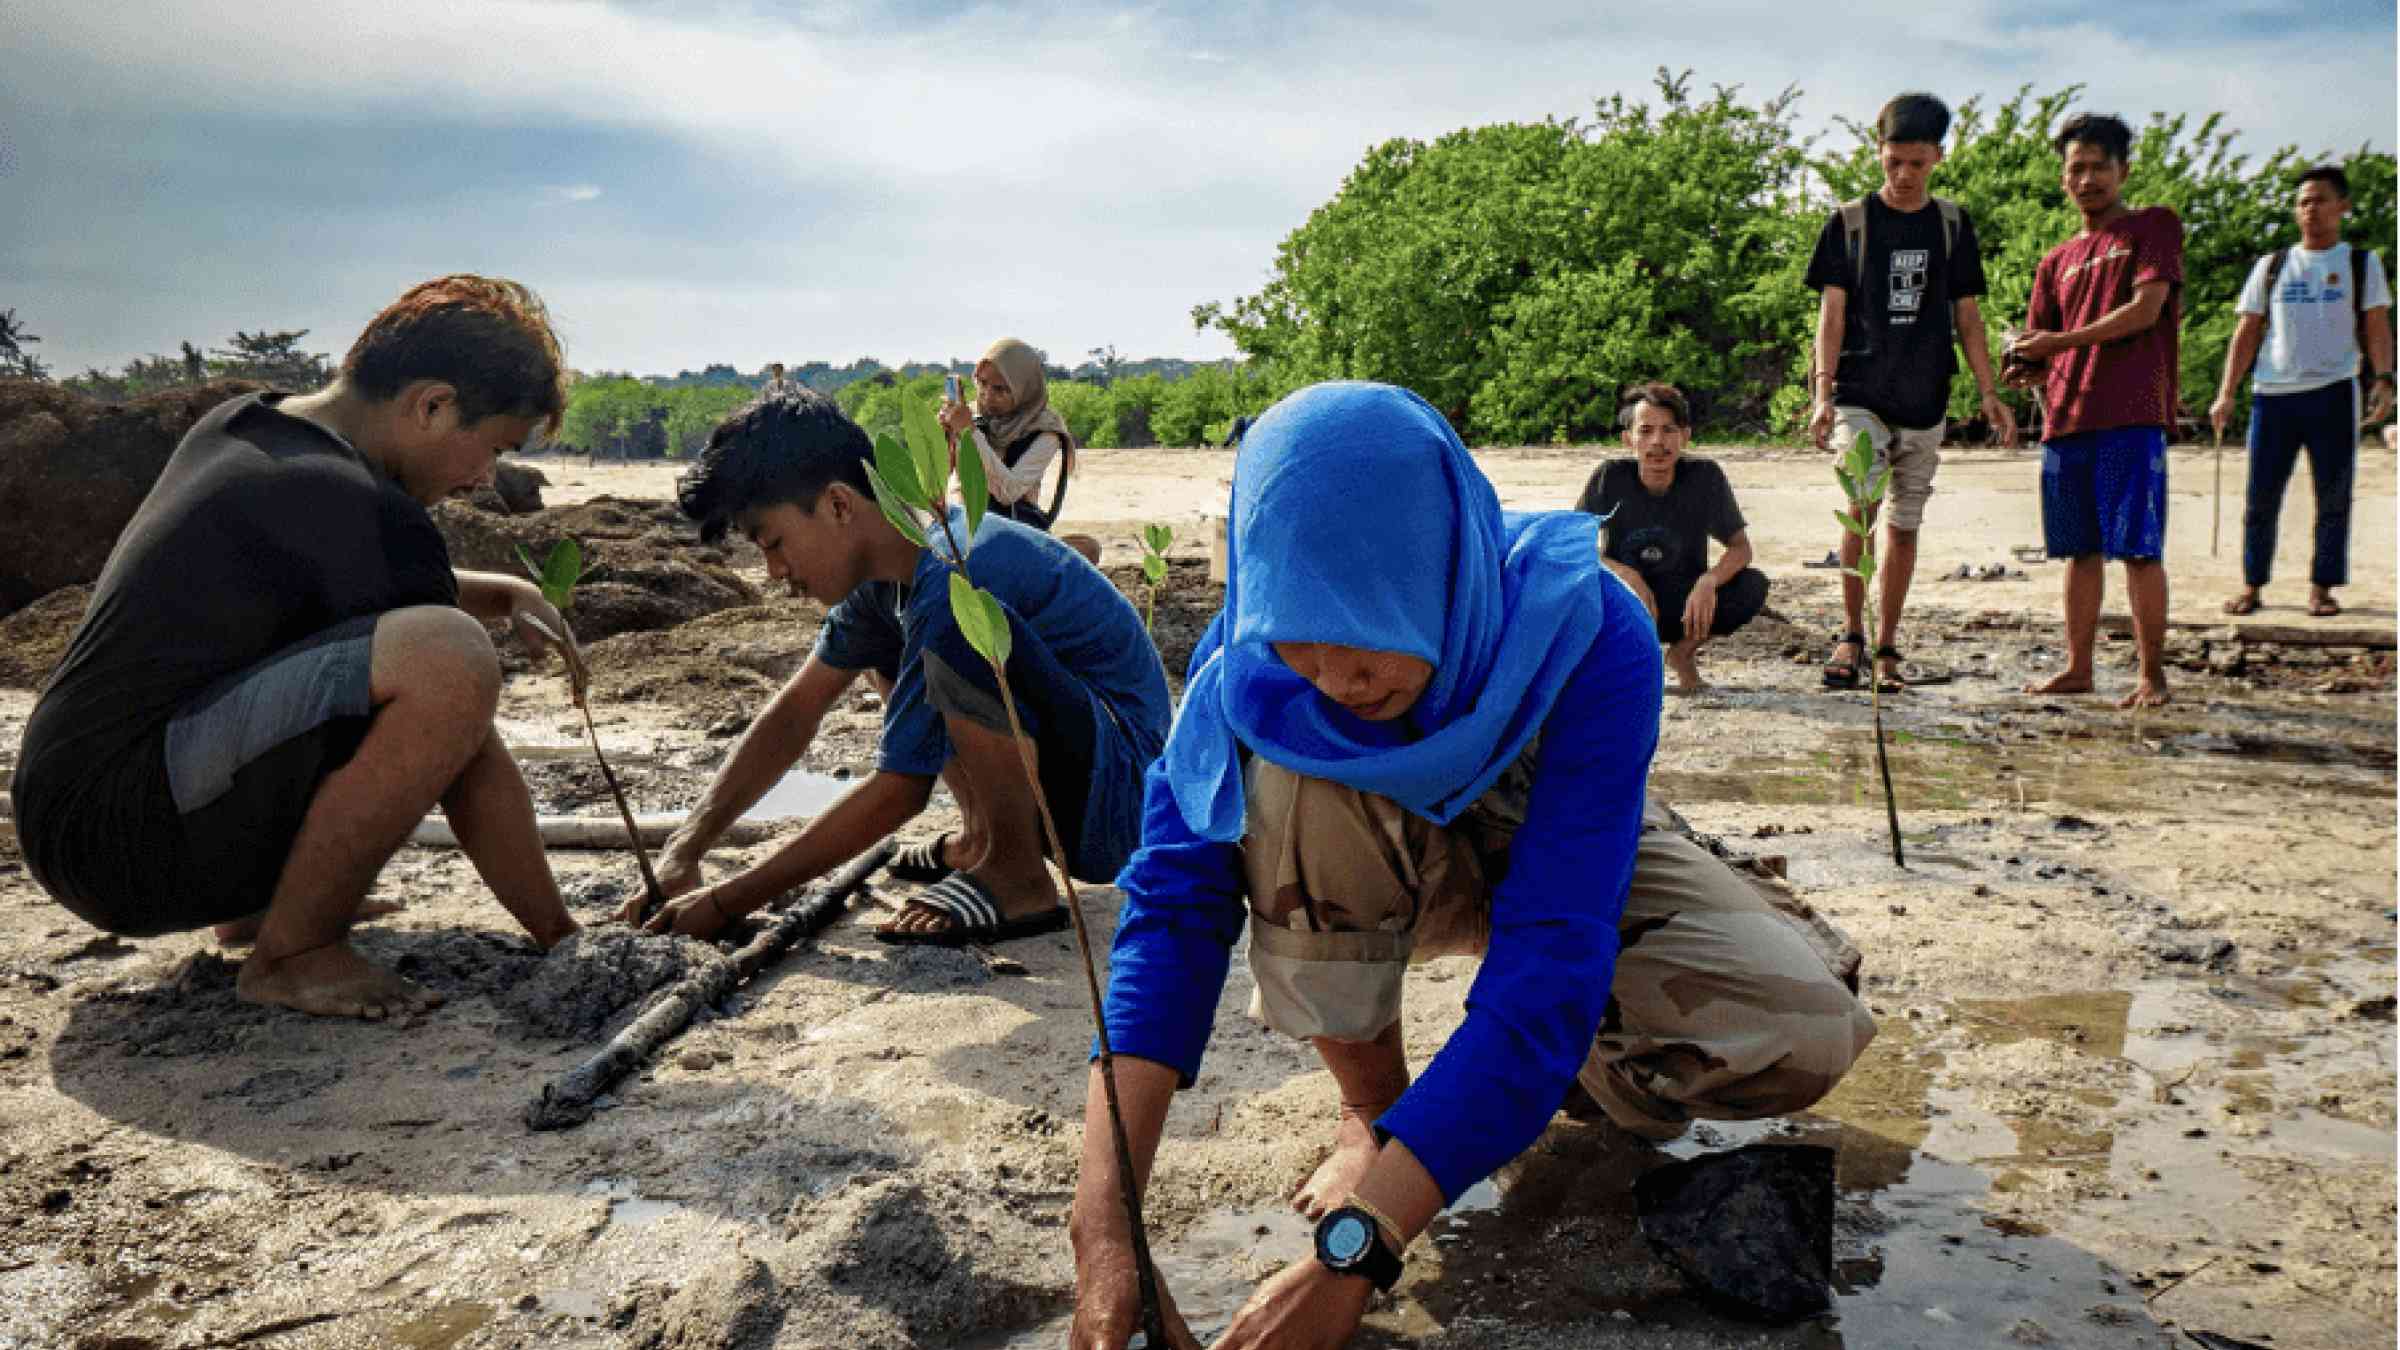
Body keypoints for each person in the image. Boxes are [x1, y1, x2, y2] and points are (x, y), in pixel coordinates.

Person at [1066, 382, 1875, 1350]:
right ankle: (1376, 1112)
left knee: (1802, 1027)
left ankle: (1531, 1084)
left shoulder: (1590, 632)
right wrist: (1104, 1227)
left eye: (1365, 626)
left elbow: (1552, 959)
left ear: (1435, 567)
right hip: (1380, 864)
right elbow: (1172, 914)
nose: (1336, 677)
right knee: (1281, 780)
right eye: (1302, 639)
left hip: (1560, 859)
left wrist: (1354, 1253)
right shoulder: (1247, 661)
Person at [10, 275, 583, 1020]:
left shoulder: (253, 430)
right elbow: (462, 733)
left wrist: (505, 592)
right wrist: (561, 933)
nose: (481, 481)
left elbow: (330, 575)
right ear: (433, 405)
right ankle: (296, 951)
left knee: (407, 648)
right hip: (125, 838)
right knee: (451, 656)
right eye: (493, 449)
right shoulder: (360, 507)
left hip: (74, 817)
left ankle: (263, 909)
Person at [640, 389, 1171, 946]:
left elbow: (902, 790)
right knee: (885, 648)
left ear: (839, 505)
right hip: (1080, 784)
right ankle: (979, 838)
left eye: (774, 543)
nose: (774, 571)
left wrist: (729, 900)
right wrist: (686, 848)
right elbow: (797, 710)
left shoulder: (954, 565)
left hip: (1126, 798)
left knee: (956, 633)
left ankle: (1017, 879)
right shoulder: (885, 577)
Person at [1804, 92, 2016, 692]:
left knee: (1904, 521)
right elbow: (1832, 315)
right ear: (1879, 153)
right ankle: (1850, 633)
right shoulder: (1850, 223)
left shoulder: (1952, 224)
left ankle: (1888, 643)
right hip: (1859, 391)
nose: (1901, 175)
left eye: (1915, 163)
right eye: (1892, 161)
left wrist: (1989, 392)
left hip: (1926, 396)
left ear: (1937, 159)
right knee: (1861, 502)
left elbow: (1967, 317)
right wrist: (1823, 392)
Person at [2007, 112, 2184, 711]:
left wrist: (2054, 345)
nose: (2087, 179)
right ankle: (2077, 667)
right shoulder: (2055, 261)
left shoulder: (2151, 228)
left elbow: (2144, 311)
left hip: (2130, 415)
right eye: (2075, 169)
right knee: (2077, 552)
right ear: (2063, 180)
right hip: (2065, 421)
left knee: (2139, 549)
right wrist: (2025, 363)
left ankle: (2152, 676)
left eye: (2098, 167)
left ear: (2122, 171)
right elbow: (2040, 338)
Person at [2210, 165, 2395, 619]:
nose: (2311, 210)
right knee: (2261, 496)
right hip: (2273, 394)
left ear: (2342, 207)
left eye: (2320, 200)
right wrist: (2226, 392)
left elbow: (2376, 324)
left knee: (2333, 494)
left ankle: (2322, 587)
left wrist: (2385, 379)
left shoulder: (2359, 263)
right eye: (2303, 202)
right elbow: (2247, 330)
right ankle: (2253, 584)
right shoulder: (2272, 266)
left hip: (2334, 391)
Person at [1573, 382, 1768, 695]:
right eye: (1646, 430)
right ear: (1628, 439)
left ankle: (1682, 653)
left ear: (1685, 436)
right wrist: (1624, 573)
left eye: (1668, 430)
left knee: (1752, 585)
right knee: (1575, 588)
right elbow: (1573, 545)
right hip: (1628, 602)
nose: (1658, 442)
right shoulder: (1609, 477)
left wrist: (1708, 582)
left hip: (1686, 607)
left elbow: (1740, 548)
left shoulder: (1705, 477)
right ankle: (1621, 662)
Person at [938, 337, 1076, 530]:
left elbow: (1008, 492)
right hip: (963, 524)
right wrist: (944, 438)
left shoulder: (1046, 431)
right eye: (983, 383)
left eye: (1000, 389)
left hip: (1015, 529)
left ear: (1023, 389)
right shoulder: (970, 416)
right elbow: (938, 480)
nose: (987, 395)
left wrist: (970, 433)